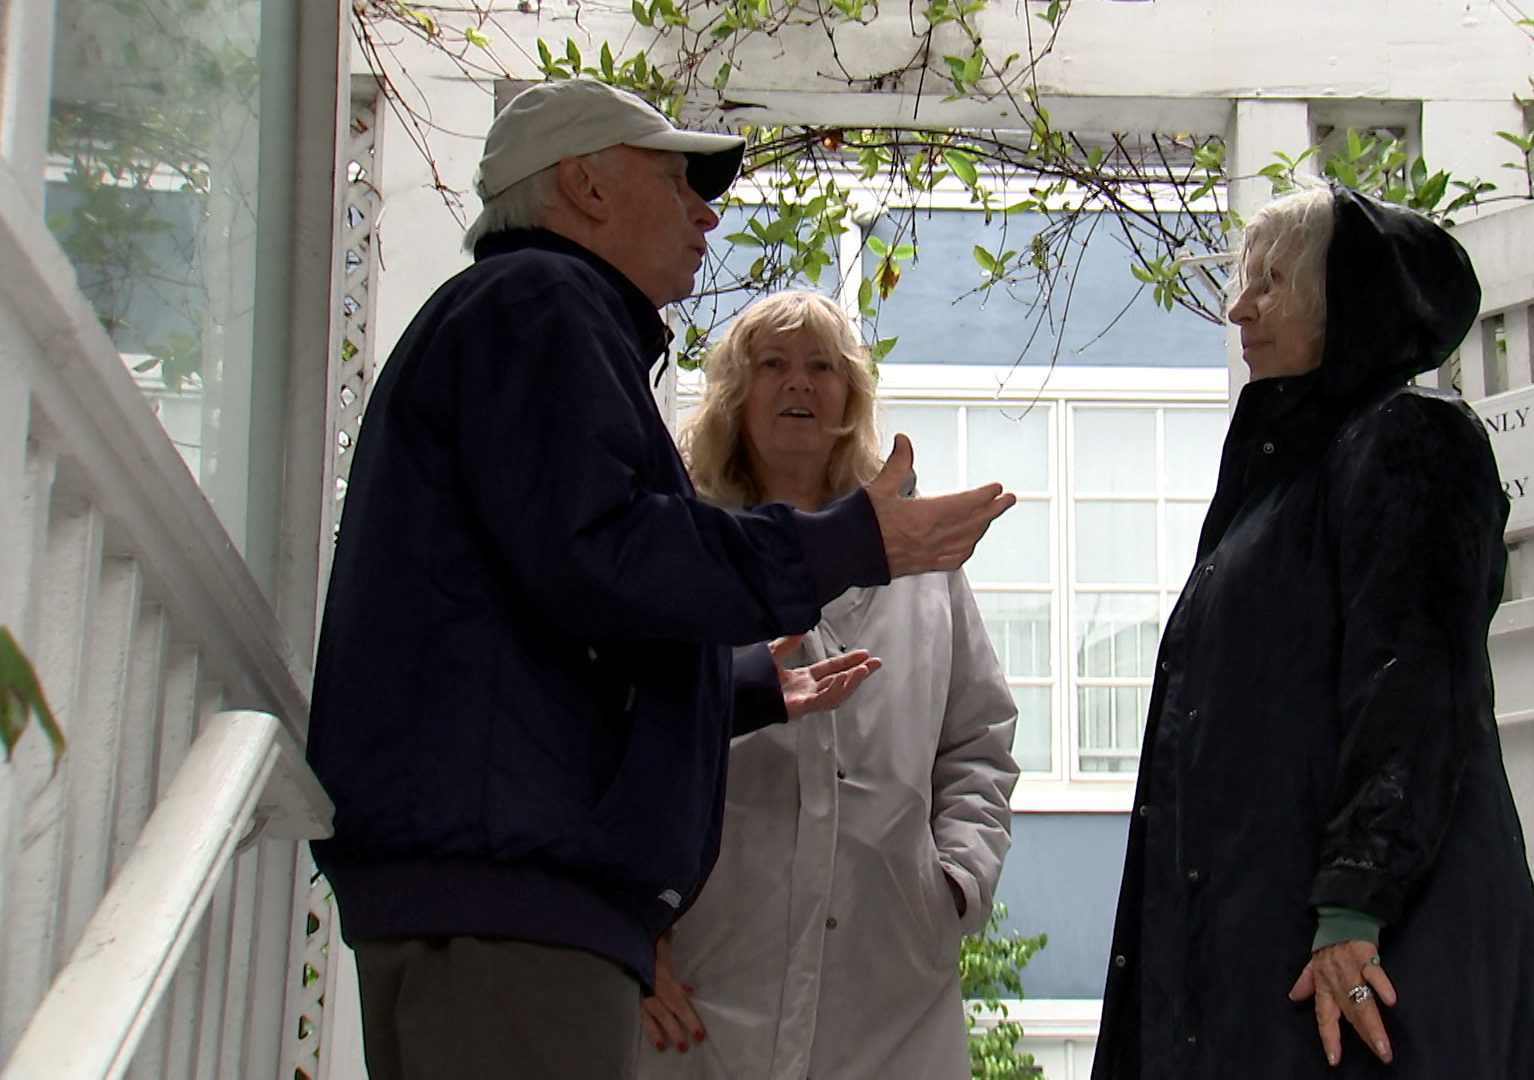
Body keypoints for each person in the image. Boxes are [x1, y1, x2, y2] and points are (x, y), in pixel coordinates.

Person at [305, 80, 1013, 1080]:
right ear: (585, 186)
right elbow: (605, 558)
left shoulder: (532, 318)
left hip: (513, 893)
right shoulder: (539, 306)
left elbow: (554, 623)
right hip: (511, 901)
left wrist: (742, 690)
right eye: (679, 182)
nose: (707, 212)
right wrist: (856, 544)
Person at [1091, 185, 1534, 1078]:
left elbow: (1414, 678)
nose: (1240, 308)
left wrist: (1357, 896)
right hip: (1283, 945)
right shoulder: (1278, 487)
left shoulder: (1407, 438)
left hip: (1370, 952)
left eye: (1273, 282)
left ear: (1345, 298)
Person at [634, 290, 1020, 1079]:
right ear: (737, 396)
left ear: (851, 397)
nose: (798, 385)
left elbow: (978, 739)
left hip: (888, 987)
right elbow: (619, 734)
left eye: (821, 368)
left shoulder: (918, 563)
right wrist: (633, 931)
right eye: (771, 365)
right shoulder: (682, 547)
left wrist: (954, 882)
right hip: (708, 976)